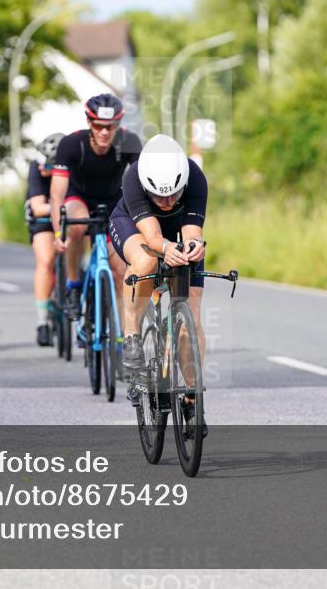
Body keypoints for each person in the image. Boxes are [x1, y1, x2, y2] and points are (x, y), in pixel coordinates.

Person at [108, 134, 209, 435]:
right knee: (146, 263)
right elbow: (153, 239)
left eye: (172, 195)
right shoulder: (133, 178)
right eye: (159, 196)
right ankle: (131, 336)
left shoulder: (196, 178)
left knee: (190, 317)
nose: (166, 202)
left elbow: (192, 231)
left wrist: (194, 247)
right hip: (134, 226)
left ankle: (192, 396)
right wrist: (166, 249)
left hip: (175, 234)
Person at [50, 94, 142, 319]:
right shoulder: (71, 144)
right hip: (78, 197)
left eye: (110, 126)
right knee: (77, 225)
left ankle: (123, 335)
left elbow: (141, 181)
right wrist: (58, 232)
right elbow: (56, 193)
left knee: (121, 270)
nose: (104, 132)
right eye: (99, 126)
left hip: (112, 202)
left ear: (117, 124)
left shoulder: (128, 141)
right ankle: (73, 283)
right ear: (90, 123)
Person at [25, 133, 63, 346]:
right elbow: (38, 208)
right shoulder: (36, 169)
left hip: (67, 214)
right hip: (44, 215)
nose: (42, 169)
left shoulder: (73, 168)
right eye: (40, 163)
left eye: (47, 167)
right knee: (46, 260)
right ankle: (42, 321)